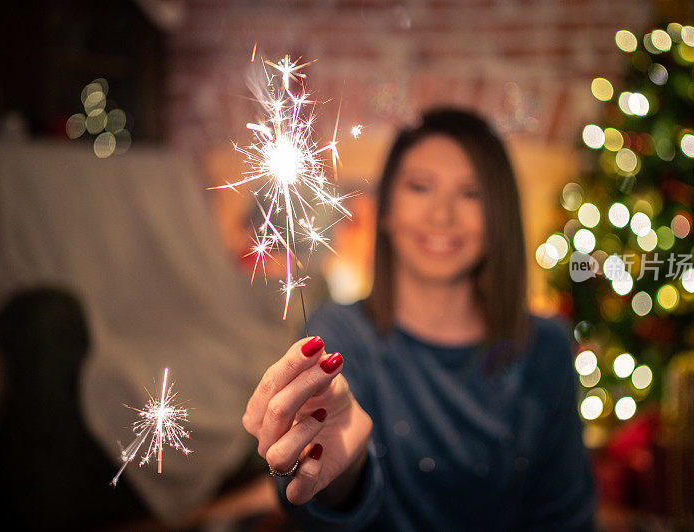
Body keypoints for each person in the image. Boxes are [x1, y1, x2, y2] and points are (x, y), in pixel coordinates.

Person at [242, 108, 596, 530]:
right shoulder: (339, 336)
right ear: (387, 208)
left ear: (498, 214)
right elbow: (308, 500)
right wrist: (339, 472)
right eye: (420, 187)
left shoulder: (544, 346)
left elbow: (567, 514)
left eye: (471, 193)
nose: (442, 216)